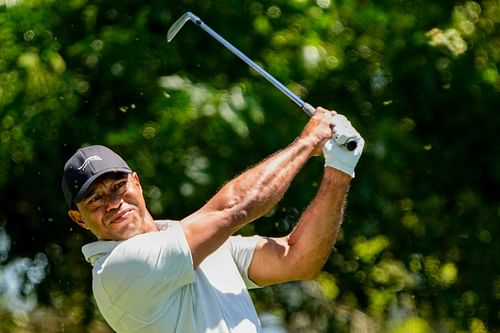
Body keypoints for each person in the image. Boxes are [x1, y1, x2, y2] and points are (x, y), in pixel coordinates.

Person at [61, 107, 364, 333]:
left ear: (137, 183)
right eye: (95, 199)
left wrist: (339, 169)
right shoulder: (117, 269)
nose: (114, 203)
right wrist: (306, 142)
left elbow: (297, 258)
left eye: (118, 186)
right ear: (79, 219)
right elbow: (235, 208)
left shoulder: (192, 241)